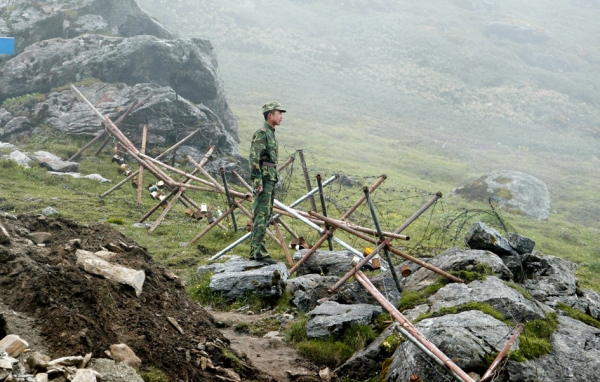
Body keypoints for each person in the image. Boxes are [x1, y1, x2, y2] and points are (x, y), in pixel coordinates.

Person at [248, 101, 286, 263]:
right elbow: (254, 158)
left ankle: (258, 251)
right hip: (263, 179)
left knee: (266, 214)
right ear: (270, 115)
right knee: (260, 215)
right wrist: (257, 181)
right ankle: (257, 252)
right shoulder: (262, 134)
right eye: (279, 113)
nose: (281, 117)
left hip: (269, 178)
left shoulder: (271, 133)